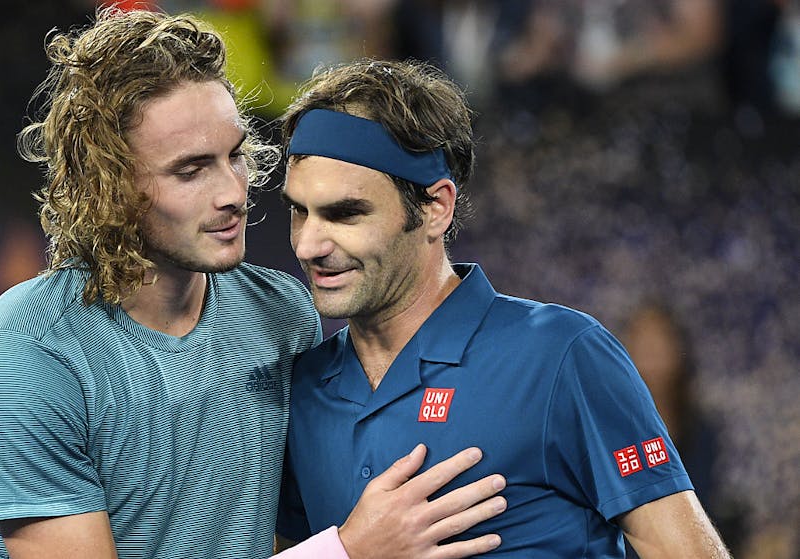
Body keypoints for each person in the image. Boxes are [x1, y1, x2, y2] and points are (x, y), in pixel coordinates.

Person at [0, 8, 507, 559]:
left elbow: (277, 517)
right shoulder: (21, 357)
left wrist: (17, 483)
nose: (234, 193)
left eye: (235, 155)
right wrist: (346, 552)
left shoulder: (280, 310)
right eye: (191, 170)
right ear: (109, 189)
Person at [273, 58, 732, 557]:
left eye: (345, 213)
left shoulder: (561, 355)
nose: (309, 244)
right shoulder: (302, 388)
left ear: (435, 207)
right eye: (300, 211)